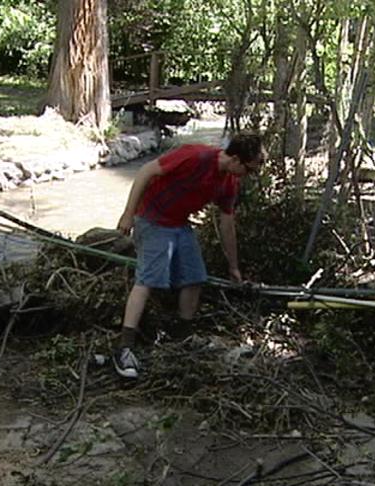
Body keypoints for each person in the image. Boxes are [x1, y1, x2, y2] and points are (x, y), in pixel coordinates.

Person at [113, 133, 264, 378]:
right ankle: (124, 347)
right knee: (148, 280)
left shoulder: (229, 182)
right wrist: (128, 214)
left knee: (194, 277)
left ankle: (183, 335)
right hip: (152, 218)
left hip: (179, 223)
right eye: (249, 170)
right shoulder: (195, 156)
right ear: (236, 159)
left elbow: (227, 224)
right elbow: (146, 171)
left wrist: (233, 266)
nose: (248, 175)